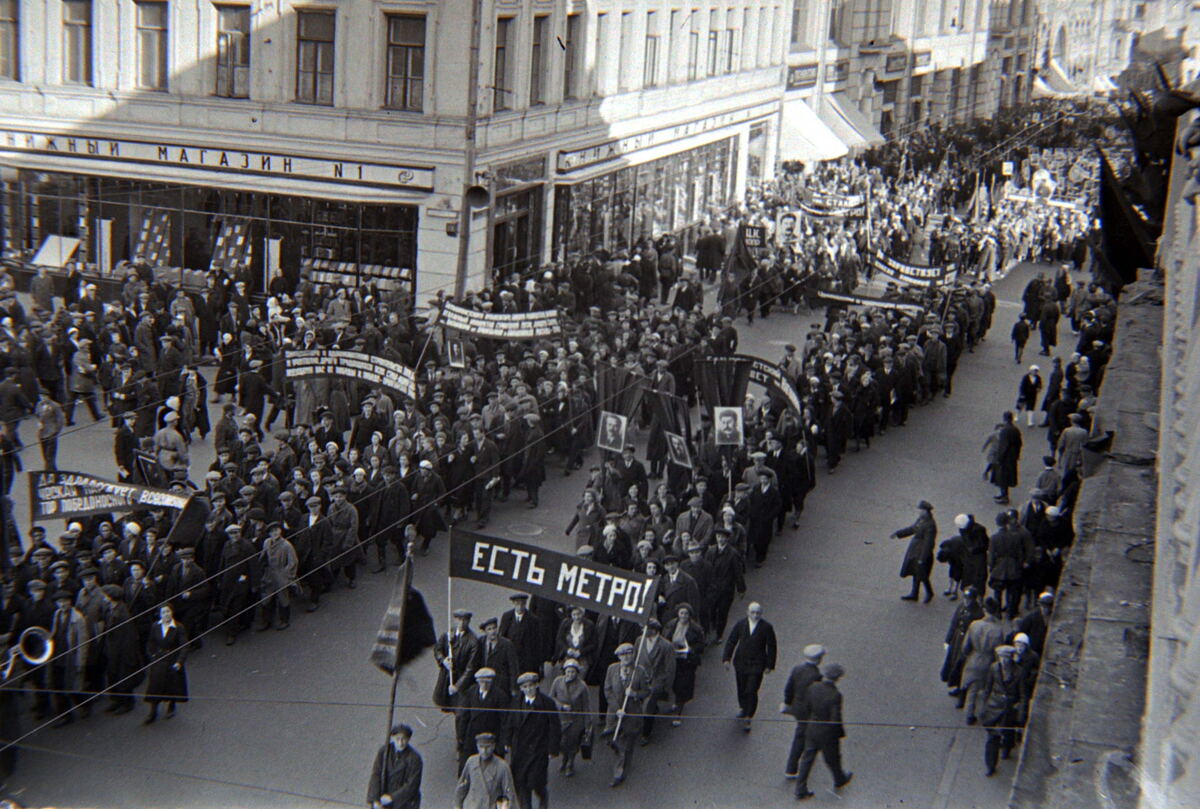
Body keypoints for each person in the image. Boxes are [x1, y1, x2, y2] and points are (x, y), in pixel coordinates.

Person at [794, 663, 853, 800]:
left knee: (807, 759)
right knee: (832, 759)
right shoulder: (835, 695)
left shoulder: (813, 687)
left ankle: (800, 788)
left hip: (812, 728)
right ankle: (839, 779)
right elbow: (835, 719)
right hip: (827, 733)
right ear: (837, 678)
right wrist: (839, 733)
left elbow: (807, 707)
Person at [504, 671, 560, 809]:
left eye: (531, 685)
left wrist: (552, 749)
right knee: (521, 783)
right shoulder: (516, 702)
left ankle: (543, 797)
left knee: (536, 782)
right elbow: (510, 722)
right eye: (525, 687)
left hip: (539, 749)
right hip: (520, 749)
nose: (528, 689)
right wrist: (507, 741)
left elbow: (555, 727)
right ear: (521, 689)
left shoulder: (547, 703)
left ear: (536, 685)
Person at [722, 601, 777, 731]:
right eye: (752, 612)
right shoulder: (741, 624)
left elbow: (772, 646)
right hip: (741, 662)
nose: (755, 615)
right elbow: (731, 641)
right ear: (747, 612)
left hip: (757, 664)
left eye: (758, 613)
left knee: (751, 690)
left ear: (761, 613)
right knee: (741, 687)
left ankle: (748, 716)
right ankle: (743, 707)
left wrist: (770, 664)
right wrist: (726, 658)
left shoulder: (766, 627)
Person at [602, 642, 650, 787]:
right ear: (618, 656)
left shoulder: (640, 671)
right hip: (615, 714)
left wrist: (635, 694)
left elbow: (647, 691)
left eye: (629, 653)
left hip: (632, 714)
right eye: (623, 654)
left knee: (627, 745)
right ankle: (620, 761)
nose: (626, 657)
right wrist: (617, 709)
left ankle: (619, 773)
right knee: (615, 741)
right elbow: (607, 690)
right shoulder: (611, 669)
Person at [781, 643, 825, 779]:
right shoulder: (816, 675)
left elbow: (789, 688)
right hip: (808, 710)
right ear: (818, 659)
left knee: (802, 731)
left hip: (797, 708)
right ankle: (791, 768)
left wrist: (787, 703)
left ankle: (792, 767)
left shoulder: (797, 669)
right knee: (801, 736)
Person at [980, 645, 1026, 777]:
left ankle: (1007, 747)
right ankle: (990, 765)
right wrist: (983, 707)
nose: (1004, 661)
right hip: (994, 707)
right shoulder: (994, 668)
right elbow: (987, 688)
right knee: (992, 737)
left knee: (1008, 732)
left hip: (1010, 709)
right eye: (1001, 658)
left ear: (1011, 658)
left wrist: (1021, 713)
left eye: (1006, 658)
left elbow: (1023, 694)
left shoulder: (1019, 672)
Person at [142, 603, 190, 725]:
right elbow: (150, 642)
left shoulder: (178, 627)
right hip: (158, 660)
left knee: (172, 684)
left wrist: (179, 662)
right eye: (163, 612)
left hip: (172, 660)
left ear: (172, 612)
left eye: (168, 611)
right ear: (160, 614)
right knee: (155, 686)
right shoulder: (155, 626)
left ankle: (171, 706)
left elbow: (184, 646)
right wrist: (151, 655)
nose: (166, 614)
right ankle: (153, 712)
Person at [663, 603, 705, 726]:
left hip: (687, 661)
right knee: (674, 683)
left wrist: (692, 649)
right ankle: (677, 700)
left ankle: (678, 712)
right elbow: (666, 638)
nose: (683, 616)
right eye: (681, 613)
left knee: (683, 685)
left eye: (686, 614)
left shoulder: (696, 628)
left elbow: (702, 644)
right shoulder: (671, 625)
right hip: (673, 658)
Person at [548, 658, 591, 777]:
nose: (570, 674)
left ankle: (570, 763)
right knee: (561, 742)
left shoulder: (582, 686)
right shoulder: (557, 682)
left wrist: (588, 724)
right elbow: (551, 698)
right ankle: (564, 758)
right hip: (560, 718)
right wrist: (561, 706)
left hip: (576, 719)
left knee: (573, 742)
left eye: (573, 672)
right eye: (568, 672)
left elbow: (586, 706)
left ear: (577, 672)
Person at [453, 732, 518, 809]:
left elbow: (509, 793)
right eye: (481, 747)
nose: (484, 751)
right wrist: (457, 805)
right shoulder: (471, 762)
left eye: (488, 747)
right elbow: (462, 787)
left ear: (493, 746)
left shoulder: (502, 766)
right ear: (477, 747)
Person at [367, 723, 423, 809]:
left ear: (408, 739)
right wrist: (375, 800)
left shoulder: (415, 758)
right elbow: (376, 774)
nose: (400, 743)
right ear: (392, 738)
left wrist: (392, 797)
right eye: (397, 739)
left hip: (404, 802)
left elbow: (412, 784)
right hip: (384, 798)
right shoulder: (384, 752)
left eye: (404, 739)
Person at [892, 500, 937, 603]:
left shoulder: (930, 525)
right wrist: (899, 533)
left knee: (923, 574)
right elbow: (913, 529)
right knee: (915, 571)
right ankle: (914, 593)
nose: (919, 512)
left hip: (921, 551)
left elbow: (929, 543)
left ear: (926, 511)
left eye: (921, 510)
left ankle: (929, 592)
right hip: (914, 550)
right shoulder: (921, 520)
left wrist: (923, 558)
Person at [988, 411, 1022, 504]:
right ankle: (1004, 494)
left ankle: (1004, 496)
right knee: (1007, 477)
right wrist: (1017, 455)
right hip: (1012, 457)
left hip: (1005, 458)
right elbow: (1019, 443)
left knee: (1002, 478)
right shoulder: (1015, 429)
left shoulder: (1005, 430)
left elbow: (1004, 446)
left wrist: (999, 457)